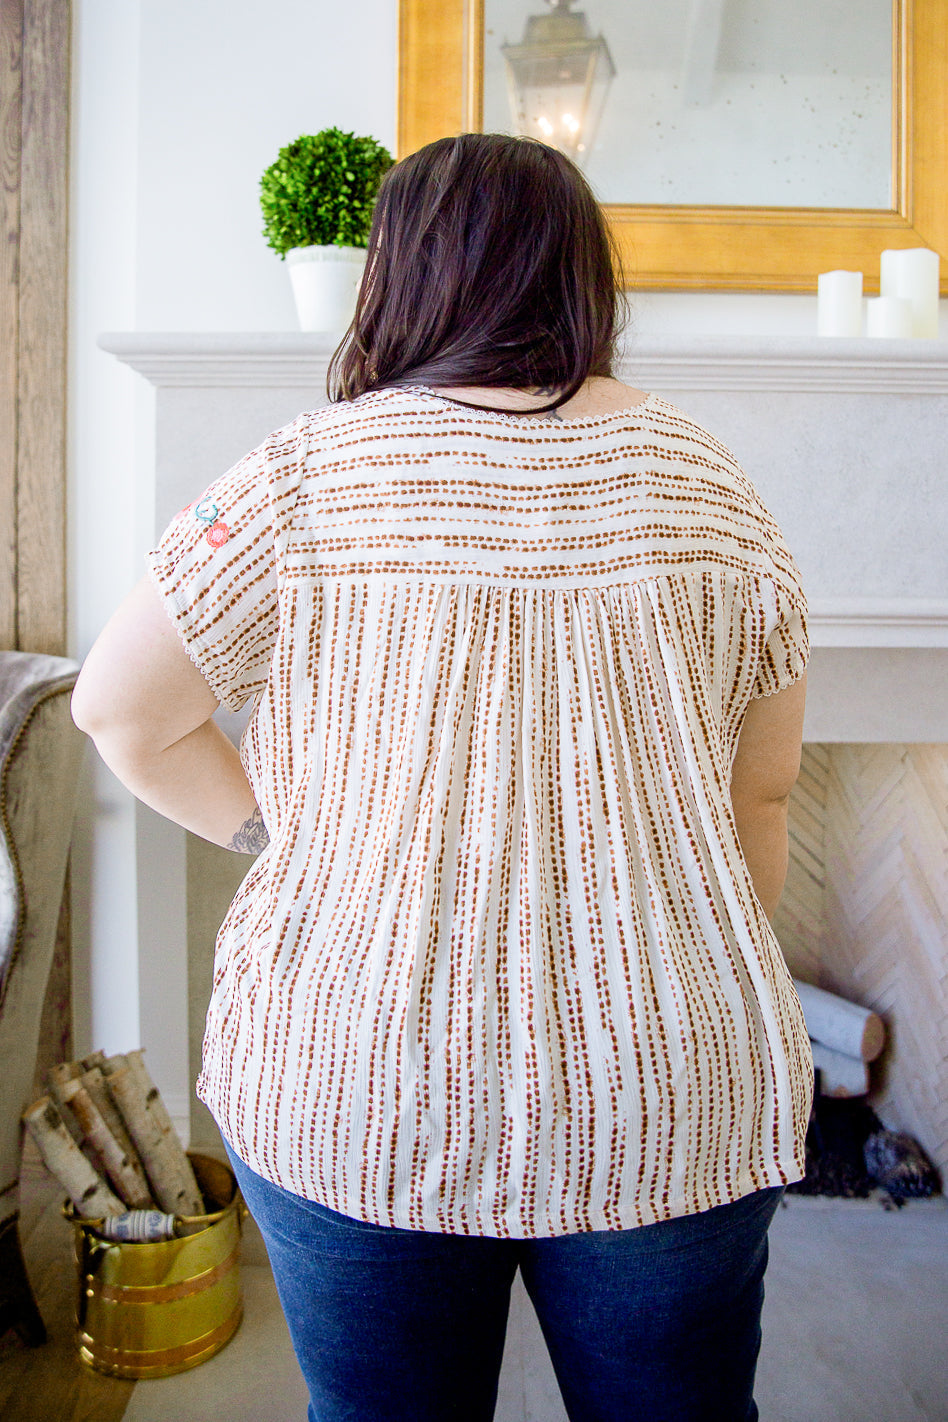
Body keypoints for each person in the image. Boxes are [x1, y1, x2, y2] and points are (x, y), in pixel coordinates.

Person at [72, 133, 812, 1422]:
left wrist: (278, 837)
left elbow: (118, 711)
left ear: (397, 274)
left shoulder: (304, 474)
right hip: (669, 1082)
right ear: (582, 275)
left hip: (356, 1078)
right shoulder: (710, 484)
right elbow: (763, 795)